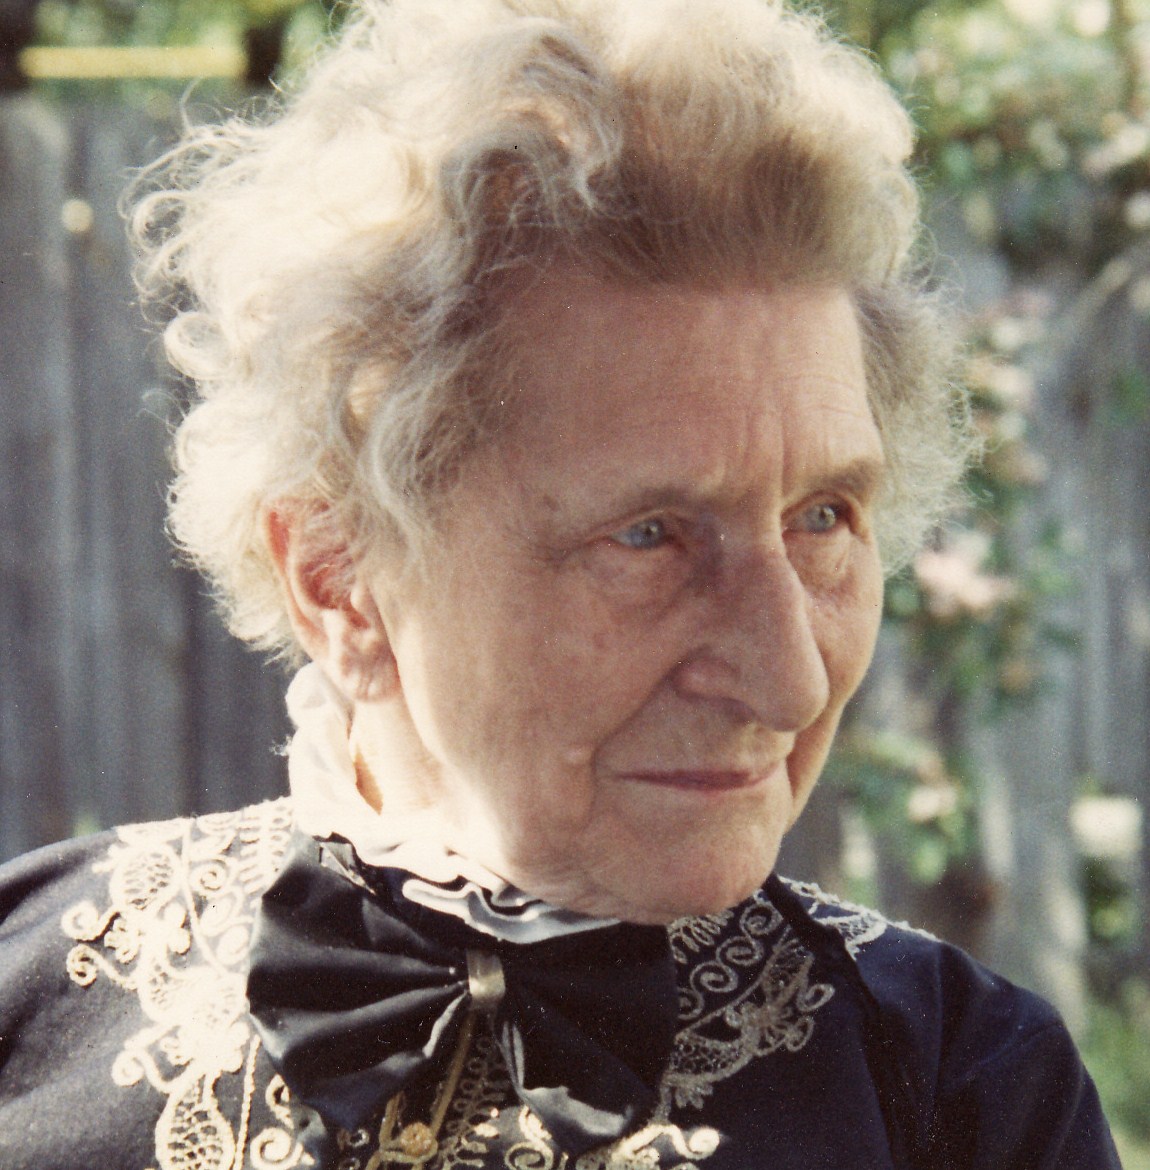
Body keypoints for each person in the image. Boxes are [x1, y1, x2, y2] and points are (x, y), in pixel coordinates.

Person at [0, 1, 1123, 1167]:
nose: (788, 679)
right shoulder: (25, 999)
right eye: (649, 536)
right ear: (338, 577)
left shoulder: (962, 1094)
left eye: (824, 517)